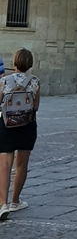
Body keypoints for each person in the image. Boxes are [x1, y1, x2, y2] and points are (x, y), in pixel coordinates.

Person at [0, 49, 40, 221]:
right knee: (21, 165)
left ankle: (3, 203)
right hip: (27, 126)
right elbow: (36, 107)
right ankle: (15, 201)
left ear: (14, 62)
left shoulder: (3, 81)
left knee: (4, 165)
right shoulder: (35, 81)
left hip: (6, 126)